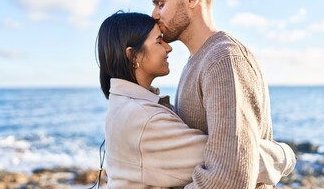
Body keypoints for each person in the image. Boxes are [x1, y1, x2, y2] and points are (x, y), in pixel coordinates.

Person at [97, 11, 296, 188]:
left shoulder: (125, 106)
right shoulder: (141, 118)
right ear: (133, 56)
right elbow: (228, 160)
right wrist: (286, 155)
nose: (168, 48)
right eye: (158, 41)